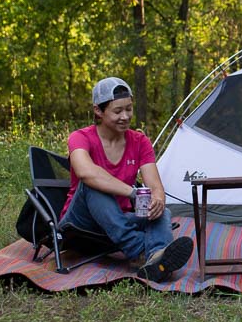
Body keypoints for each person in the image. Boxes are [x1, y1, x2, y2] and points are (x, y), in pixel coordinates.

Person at [59, 77, 193, 282]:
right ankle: (141, 250)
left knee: (161, 213)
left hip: (119, 220)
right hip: (80, 222)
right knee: (92, 186)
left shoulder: (140, 141)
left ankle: (156, 259)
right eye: (117, 111)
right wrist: (132, 192)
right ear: (98, 111)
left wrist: (157, 199)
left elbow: (155, 186)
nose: (125, 116)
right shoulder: (80, 137)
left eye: (129, 109)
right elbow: (86, 172)